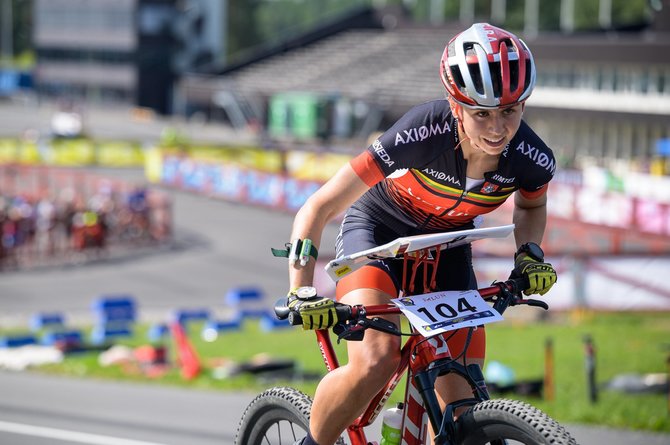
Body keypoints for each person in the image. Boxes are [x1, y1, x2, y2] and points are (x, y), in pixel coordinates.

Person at [283, 23, 558, 445]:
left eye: (509, 111)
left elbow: (532, 204)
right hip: (378, 235)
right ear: (455, 104)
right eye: (481, 113)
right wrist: (300, 290)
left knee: (461, 396)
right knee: (376, 361)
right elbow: (319, 206)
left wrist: (530, 253)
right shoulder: (421, 132)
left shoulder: (531, 157)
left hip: (446, 247)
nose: (498, 128)